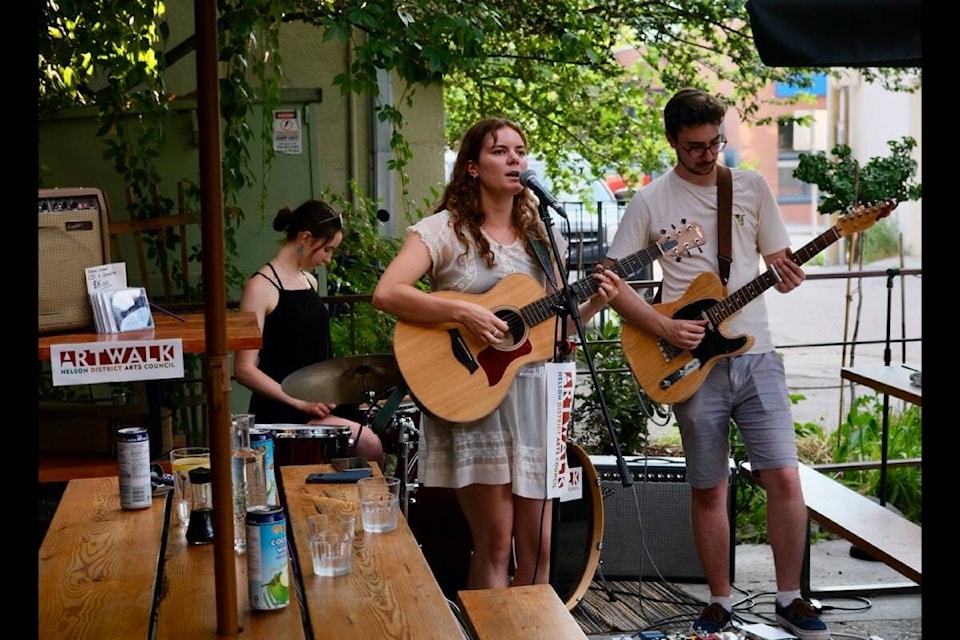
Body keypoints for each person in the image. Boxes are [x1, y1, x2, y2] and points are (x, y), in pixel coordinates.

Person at [604, 88, 828, 640]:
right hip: (690, 362)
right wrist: (662, 326)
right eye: (695, 147)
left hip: (758, 355)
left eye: (715, 143)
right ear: (672, 142)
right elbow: (609, 282)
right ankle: (720, 602)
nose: (708, 155)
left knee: (783, 476)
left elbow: (777, 259)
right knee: (708, 487)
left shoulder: (750, 186)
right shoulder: (651, 201)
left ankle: (790, 597)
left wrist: (788, 272)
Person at [371, 117, 622, 589]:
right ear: (471, 166)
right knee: (494, 539)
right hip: (469, 395)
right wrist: (463, 313)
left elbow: (553, 331)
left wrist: (592, 304)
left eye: (520, 151)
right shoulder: (441, 230)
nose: (514, 160)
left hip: (530, 397)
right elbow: (387, 293)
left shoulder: (544, 238)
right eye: (500, 151)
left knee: (541, 543)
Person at [234, 199, 385, 466]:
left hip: (318, 401)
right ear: (305, 238)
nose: (328, 259)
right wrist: (299, 401)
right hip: (284, 408)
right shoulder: (260, 288)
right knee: (369, 443)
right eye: (327, 249)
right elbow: (245, 369)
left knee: (383, 423)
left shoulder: (309, 281)